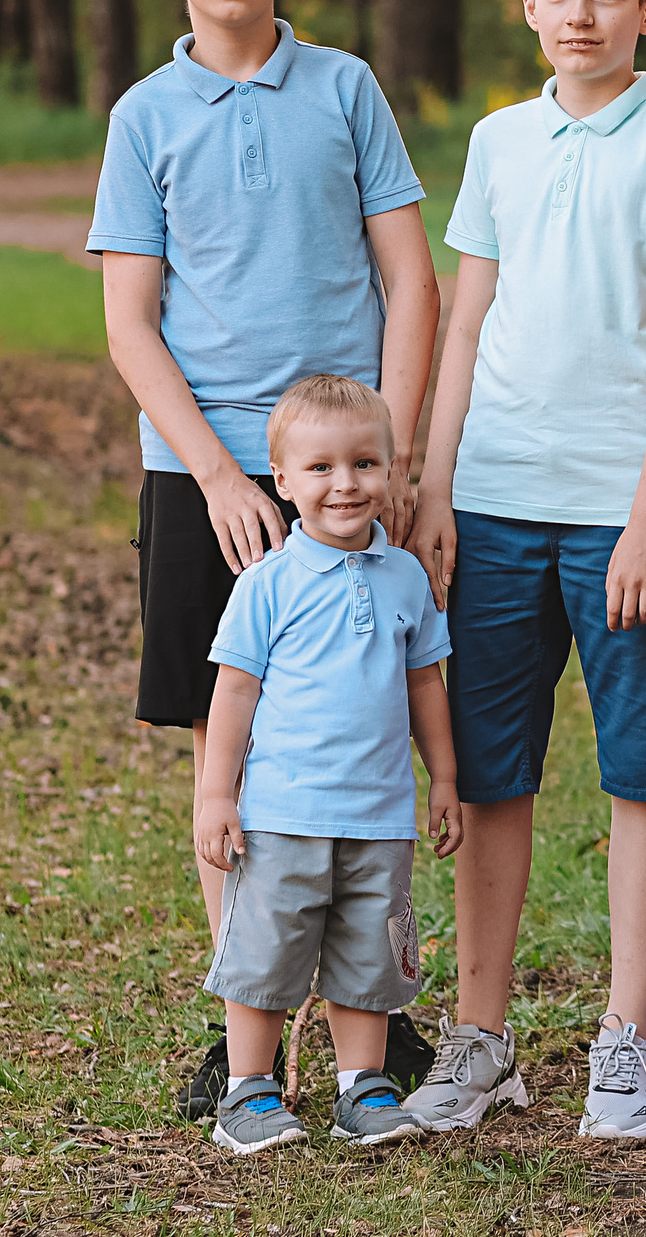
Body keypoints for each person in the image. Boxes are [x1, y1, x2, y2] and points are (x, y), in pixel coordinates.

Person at [87, 0, 441, 1119]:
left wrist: (389, 455)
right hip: (206, 472)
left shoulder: (343, 90)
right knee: (225, 738)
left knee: (362, 728)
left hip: (345, 467)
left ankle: (372, 1029)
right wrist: (222, 476)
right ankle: (254, 1040)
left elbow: (411, 279)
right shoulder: (146, 116)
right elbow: (133, 323)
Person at [401, 0, 646, 1140]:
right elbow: (466, 320)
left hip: (624, 512)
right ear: (528, 4)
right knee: (492, 776)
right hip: (494, 501)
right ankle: (481, 1041)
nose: (579, 15)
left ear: (645, 9)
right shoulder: (496, 141)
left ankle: (625, 1039)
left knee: (642, 774)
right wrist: (434, 487)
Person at [192, 375, 460, 1155]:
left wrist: (442, 777)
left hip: (379, 816)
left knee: (367, 952)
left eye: (365, 463)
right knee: (267, 953)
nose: (345, 483)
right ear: (282, 479)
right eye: (320, 468)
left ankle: (363, 1087)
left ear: (391, 470)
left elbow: (424, 686)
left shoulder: (407, 578)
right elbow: (234, 693)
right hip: (281, 814)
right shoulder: (266, 583)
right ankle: (247, 1091)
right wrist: (217, 792)